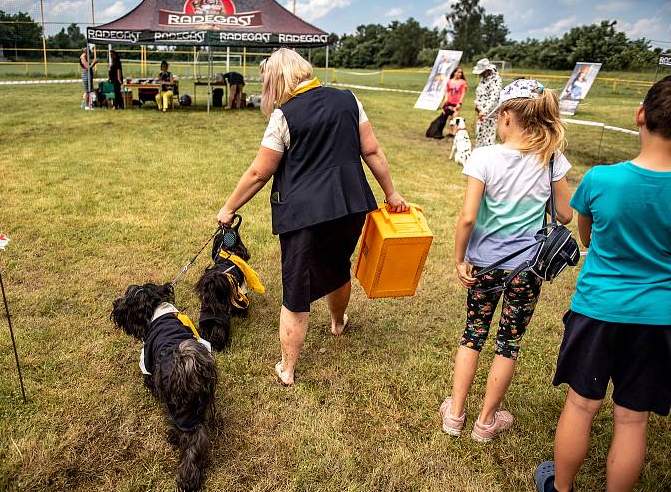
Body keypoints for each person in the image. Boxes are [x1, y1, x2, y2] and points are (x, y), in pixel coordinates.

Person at [216, 48, 408, 387]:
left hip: (304, 214)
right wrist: (391, 194)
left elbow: (260, 172)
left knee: (296, 287)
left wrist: (229, 207)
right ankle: (338, 322)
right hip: (351, 206)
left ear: (277, 80)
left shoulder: (283, 116)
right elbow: (373, 150)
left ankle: (287, 367)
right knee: (338, 266)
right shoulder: (349, 100)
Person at [535, 76, 671, 492]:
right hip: (659, 320)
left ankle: (561, 487)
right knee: (633, 418)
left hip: (597, 311)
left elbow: (586, 236)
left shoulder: (600, 180)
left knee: (580, 404)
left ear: (640, 115)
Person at [440, 79, 573, 442]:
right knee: (508, 343)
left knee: (472, 335)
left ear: (508, 116)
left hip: (483, 264)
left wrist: (459, 259)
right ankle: (486, 421)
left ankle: (454, 414)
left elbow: (468, 217)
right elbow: (565, 215)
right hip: (528, 268)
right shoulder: (552, 159)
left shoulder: (483, 156)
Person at [472, 58, 502, 148]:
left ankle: (488, 158)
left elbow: (494, 97)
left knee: (488, 136)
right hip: (481, 112)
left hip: (489, 113)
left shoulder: (496, 80)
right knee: (479, 134)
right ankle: (479, 154)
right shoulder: (483, 78)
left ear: (487, 70)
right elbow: (480, 92)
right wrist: (476, 104)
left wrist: (484, 111)